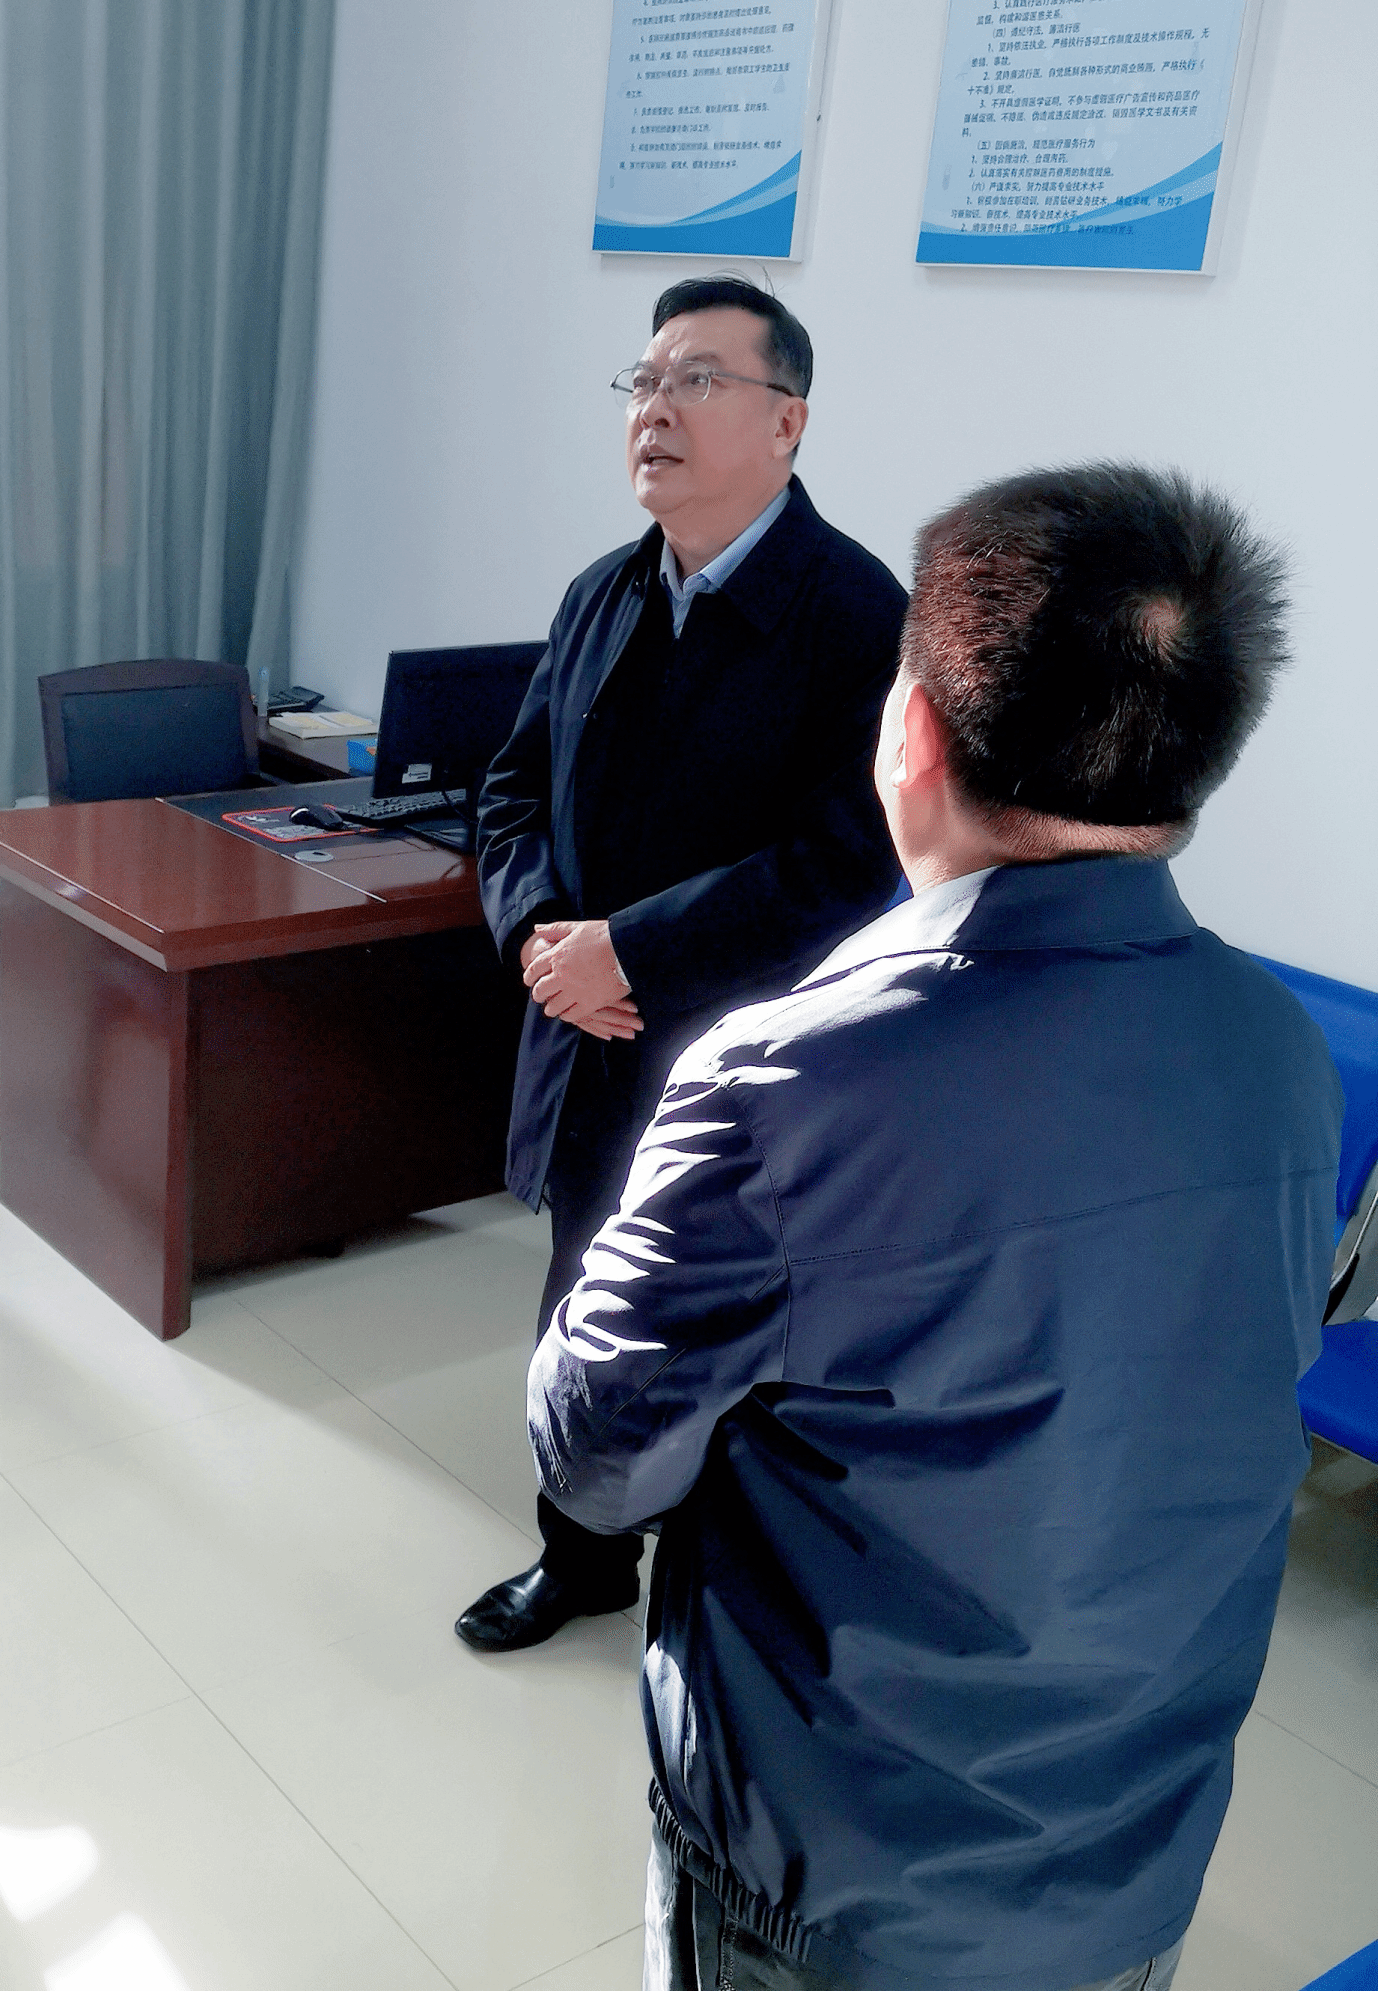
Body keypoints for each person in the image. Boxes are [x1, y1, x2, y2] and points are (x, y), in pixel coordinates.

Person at [528, 463, 1342, 1991]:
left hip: (836, 1882)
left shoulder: (787, 1083)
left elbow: (593, 1455)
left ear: (908, 730)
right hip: (1135, 1850)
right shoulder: (1282, 1054)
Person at [459, 276, 908, 1651]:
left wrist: (632, 953)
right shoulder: (603, 592)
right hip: (588, 1033)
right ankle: (581, 1554)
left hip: (743, 1062)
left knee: (734, 1330)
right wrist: (543, 939)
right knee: (586, 1298)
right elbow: (511, 792)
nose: (656, 407)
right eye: (646, 381)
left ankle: (722, 1600)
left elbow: (849, 863)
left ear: (788, 421)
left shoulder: (858, 617)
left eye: (698, 378)